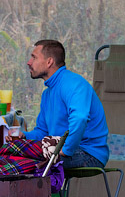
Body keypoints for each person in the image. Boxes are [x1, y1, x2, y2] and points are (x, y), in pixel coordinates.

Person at [23, 39, 109, 168]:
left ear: (49, 62)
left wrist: (66, 150)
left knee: (25, 162)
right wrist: (23, 136)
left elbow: (80, 118)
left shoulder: (73, 83)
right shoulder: (47, 94)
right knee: (10, 153)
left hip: (88, 153)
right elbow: (42, 132)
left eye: (34, 57)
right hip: (63, 149)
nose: (29, 63)